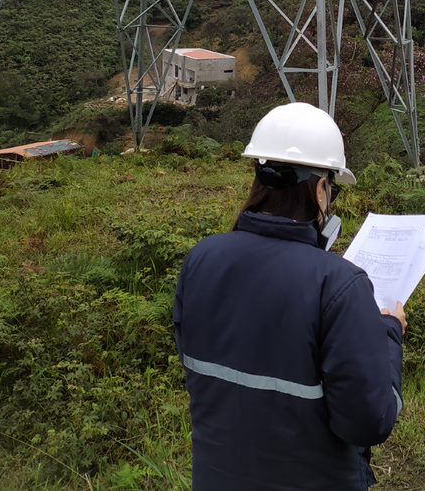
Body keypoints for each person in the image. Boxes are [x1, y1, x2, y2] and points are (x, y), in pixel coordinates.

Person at [174, 102, 406, 491]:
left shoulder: (201, 259)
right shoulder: (339, 284)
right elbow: (370, 421)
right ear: (320, 190)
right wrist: (388, 332)